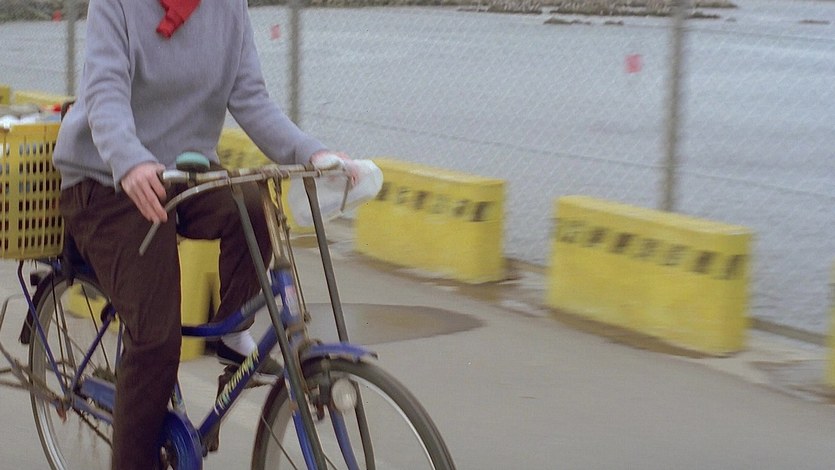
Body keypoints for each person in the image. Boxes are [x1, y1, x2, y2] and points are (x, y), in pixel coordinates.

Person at [52, 0, 354, 467]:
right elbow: (105, 94)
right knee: (157, 341)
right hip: (106, 178)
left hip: (183, 171)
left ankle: (231, 335)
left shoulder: (228, 7)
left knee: (253, 206)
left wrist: (312, 154)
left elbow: (251, 98)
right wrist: (129, 161)